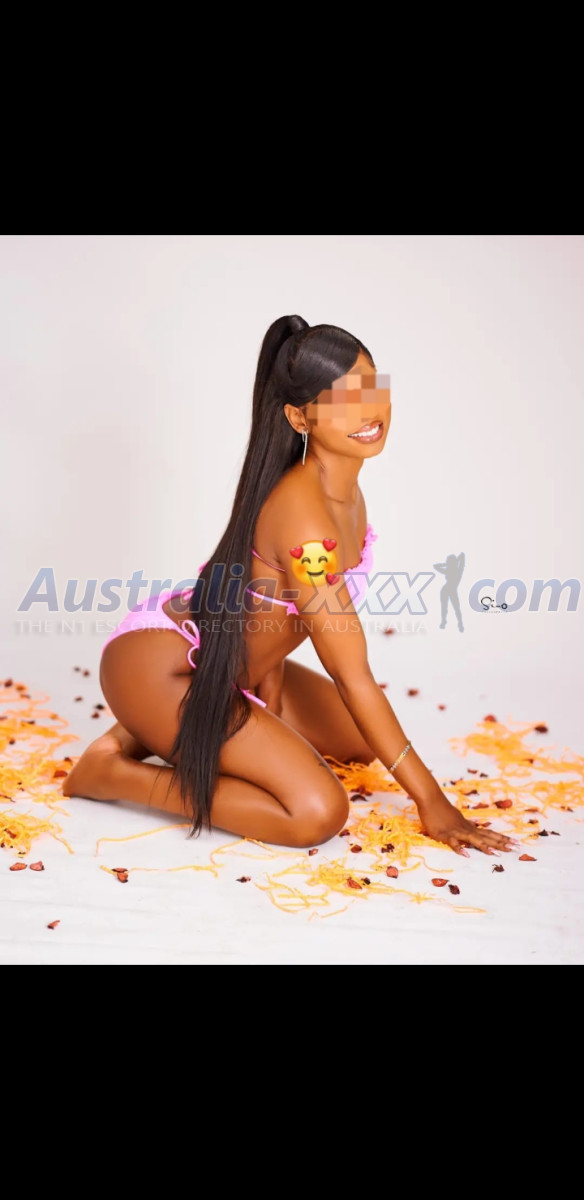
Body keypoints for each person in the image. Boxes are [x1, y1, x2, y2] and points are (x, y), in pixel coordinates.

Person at [63, 316, 518, 860]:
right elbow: (351, 673)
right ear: (300, 417)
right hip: (165, 668)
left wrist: (270, 694)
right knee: (316, 811)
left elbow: (266, 611)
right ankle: (110, 770)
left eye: (370, 387)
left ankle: (141, 731)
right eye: (341, 400)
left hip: (228, 668)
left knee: (357, 741)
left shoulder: (343, 492)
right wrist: (432, 802)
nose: (368, 410)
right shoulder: (305, 518)